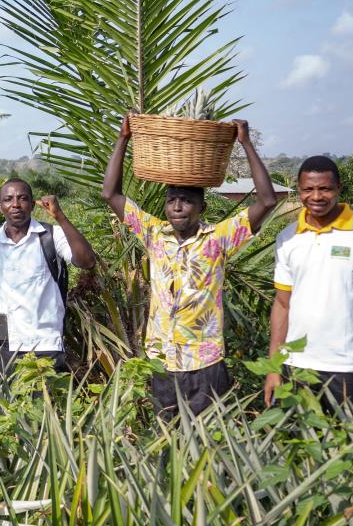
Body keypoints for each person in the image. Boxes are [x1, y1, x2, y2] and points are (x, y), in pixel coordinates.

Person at [101, 115, 278, 419]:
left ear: (202, 208)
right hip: (163, 361)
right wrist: (123, 139)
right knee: (167, 443)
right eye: (172, 201)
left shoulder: (219, 238)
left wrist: (245, 143)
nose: (178, 207)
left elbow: (268, 200)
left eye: (186, 201)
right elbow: (110, 195)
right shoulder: (154, 234)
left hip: (205, 361)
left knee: (208, 443)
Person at [264, 156, 353, 420]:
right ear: (298, 190)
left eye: (325, 188)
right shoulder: (288, 238)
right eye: (308, 189)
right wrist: (273, 366)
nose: (316, 196)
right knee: (296, 450)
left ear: (338, 188)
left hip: (349, 366)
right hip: (295, 366)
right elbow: (282, 304)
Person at [0, 179, 97, 381]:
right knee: (3, 411)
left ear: (32, 205)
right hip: (2, 346)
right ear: (1, 208)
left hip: (44, 346)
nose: (15, 204)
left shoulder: (50, 235)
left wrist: (60, 216)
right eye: (8, 199)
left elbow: (86, 261)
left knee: (42, 411)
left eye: (22, 198)